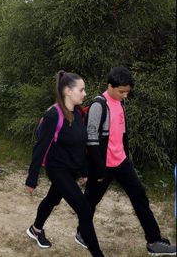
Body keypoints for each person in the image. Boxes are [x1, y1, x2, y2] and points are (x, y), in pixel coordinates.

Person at [75, 66, 176, 256]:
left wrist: (126, 157)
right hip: (102, 166)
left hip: (121, 163)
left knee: (140, 196)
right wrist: (96, 169)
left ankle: (154, 242)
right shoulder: (99, 105)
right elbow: (91, 138)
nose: (125, 96)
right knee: (89, 202)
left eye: (127, 92)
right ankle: (82, 232)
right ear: (110, 86)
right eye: (122, 92)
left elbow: (121, 135)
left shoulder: (121, 103)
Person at [24, 71, 104, 257]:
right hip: (57, 169)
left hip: (71, 169)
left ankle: (35, 230)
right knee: (84, 209)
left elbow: (79, 144)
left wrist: (84, 171)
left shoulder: (77, 113)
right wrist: (32, 179)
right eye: (81, 90)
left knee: (53, 199)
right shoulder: (53, 115)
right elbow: (40, 148)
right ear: (68, 91)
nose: (85, 94)